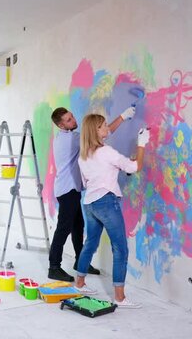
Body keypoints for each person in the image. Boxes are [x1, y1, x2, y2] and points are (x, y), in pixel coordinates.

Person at [48, 106, 135, 282]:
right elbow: (103, 132)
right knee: (64, 228)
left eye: (72, 116)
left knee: (77, 226)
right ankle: (54, 267)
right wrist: (123, 116)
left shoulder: (64, 137)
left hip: (69, 189)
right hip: (68, 189)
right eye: (68, 120)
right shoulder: (71, 140)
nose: (74, 120)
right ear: (61, 125)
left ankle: (81, 262)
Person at [74, 114, 150, 309]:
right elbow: (135, 167)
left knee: (90, 243)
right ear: (96, 131)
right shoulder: (106, 152)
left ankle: (80, 284)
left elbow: (87, 181)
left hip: (89, 203)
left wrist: (115, 169)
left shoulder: (84, 155)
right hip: (106, 202)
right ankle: (120, 298)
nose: (107, 127)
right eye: (104, 125)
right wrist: (142, 144)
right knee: (120, 249)